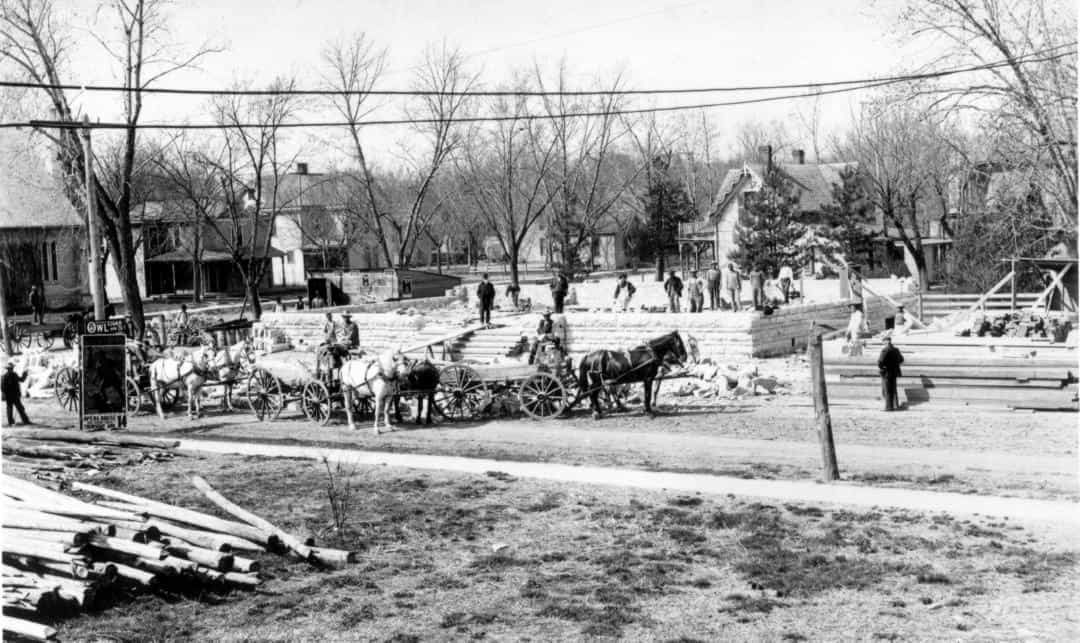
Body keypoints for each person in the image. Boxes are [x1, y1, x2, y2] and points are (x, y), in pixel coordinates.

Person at [877, 336, 904, 411]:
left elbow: (880, 361)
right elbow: (901, 359)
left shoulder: (885, 350)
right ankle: (895, 405)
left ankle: (889, 407)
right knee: (894, 389)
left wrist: (883, 367)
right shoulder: (896, 350)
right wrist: (895, 365)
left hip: (887, 372)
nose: (883, 343)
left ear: (886, 341)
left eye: (883, 341)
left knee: (887, 390)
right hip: (894, 372)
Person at [2, 361, 31, 426]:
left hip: (10, 396)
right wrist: (25, 374)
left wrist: (25, 374)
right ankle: (24, 421)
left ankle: (11, 422)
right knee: (18, 408)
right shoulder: (11, 375)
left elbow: (21, 380)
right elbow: (22, 380)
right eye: (11, 368)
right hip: (13, 395)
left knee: (12, 409)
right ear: (9, 369)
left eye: (12, 368)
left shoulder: (5, 376)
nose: (12, 369)